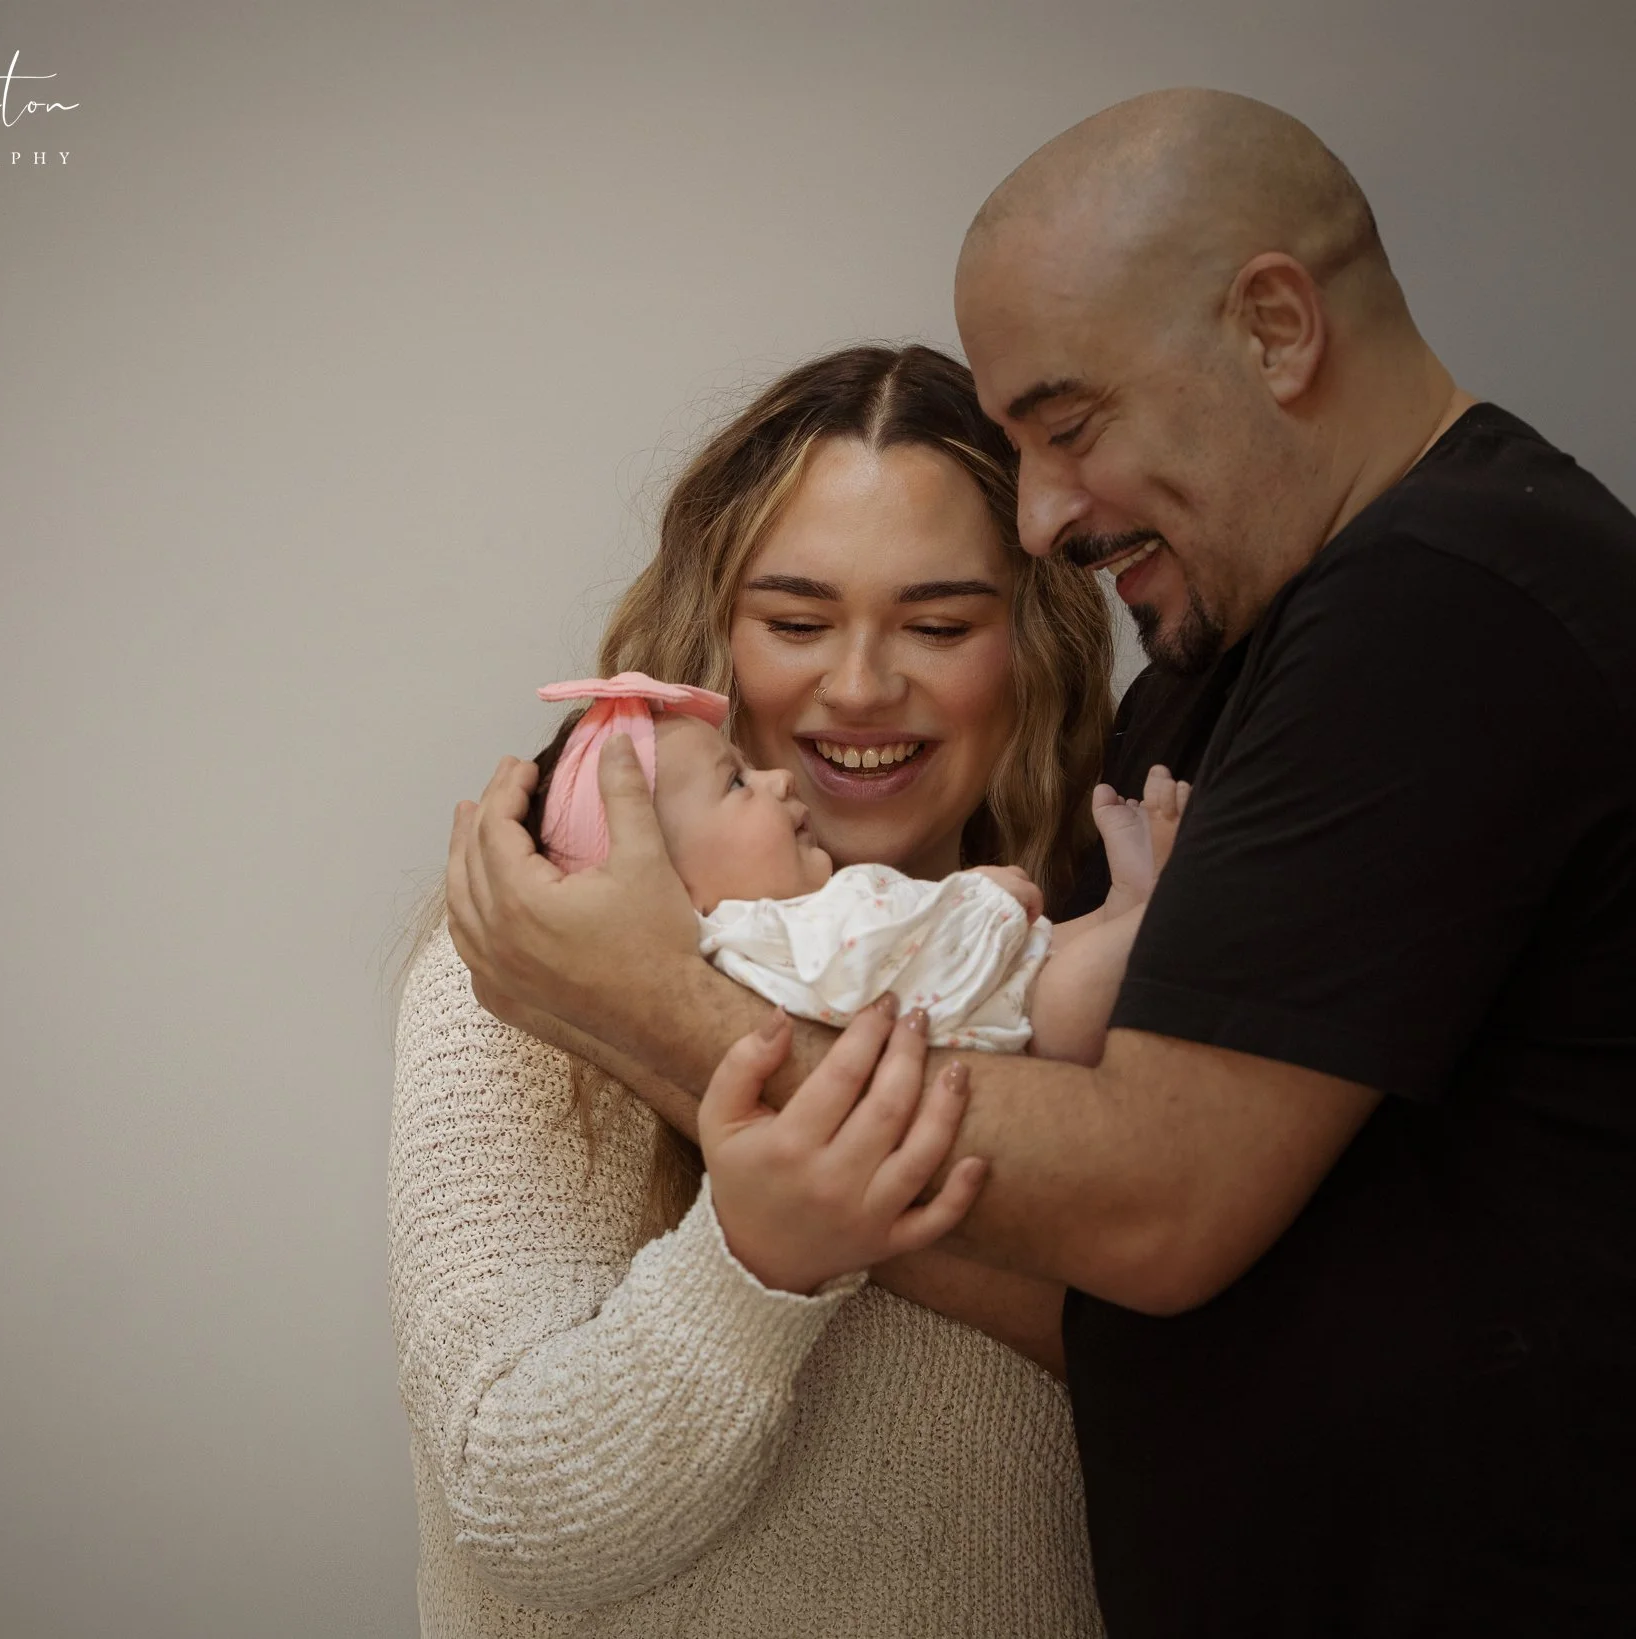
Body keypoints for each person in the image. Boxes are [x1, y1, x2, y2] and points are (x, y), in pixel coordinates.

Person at [446, 90, 1636, 1635]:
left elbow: (1151, 1204)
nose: (1049, 512)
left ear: (1277, 328)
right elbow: (1112, 1290)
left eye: (1071, 430)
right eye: (799, 619)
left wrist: (647, 1004)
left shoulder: (1449, 598)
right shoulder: (1218, 665)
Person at [391, 344, 1112, 1635]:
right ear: (710, 643)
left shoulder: (1075, 975)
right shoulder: (521, 988)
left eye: (940, 625)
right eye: (796, 621)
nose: (858, 686)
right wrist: (751, 1264)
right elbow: (512, 1503)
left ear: (1034, 643)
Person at [525, 670, 1183, 1059]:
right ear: (670, 884)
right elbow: (880, 947)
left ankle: (1125, 907)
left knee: (1052, 957)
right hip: (1014, 1036)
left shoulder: (782, 931)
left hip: (990, 998)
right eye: (736, 785)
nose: (778, 780)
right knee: (1070, 986)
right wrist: (981, 898)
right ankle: (1165, 914)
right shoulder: (760, 946)